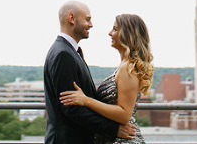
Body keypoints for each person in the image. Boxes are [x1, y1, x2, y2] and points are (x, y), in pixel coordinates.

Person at [44, 1, 137, 144]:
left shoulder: (70, 51)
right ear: (71, 18)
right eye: (87, 19)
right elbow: (71, 108)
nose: (91, 25)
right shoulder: (63, 54)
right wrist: (113, 129)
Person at [60, 13, 154, 144]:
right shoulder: (124, 66)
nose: (110, 33)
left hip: (123, 140)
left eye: (115, 29)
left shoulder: (128, 69)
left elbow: (124, 114)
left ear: (127, 34)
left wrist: (86, 101)